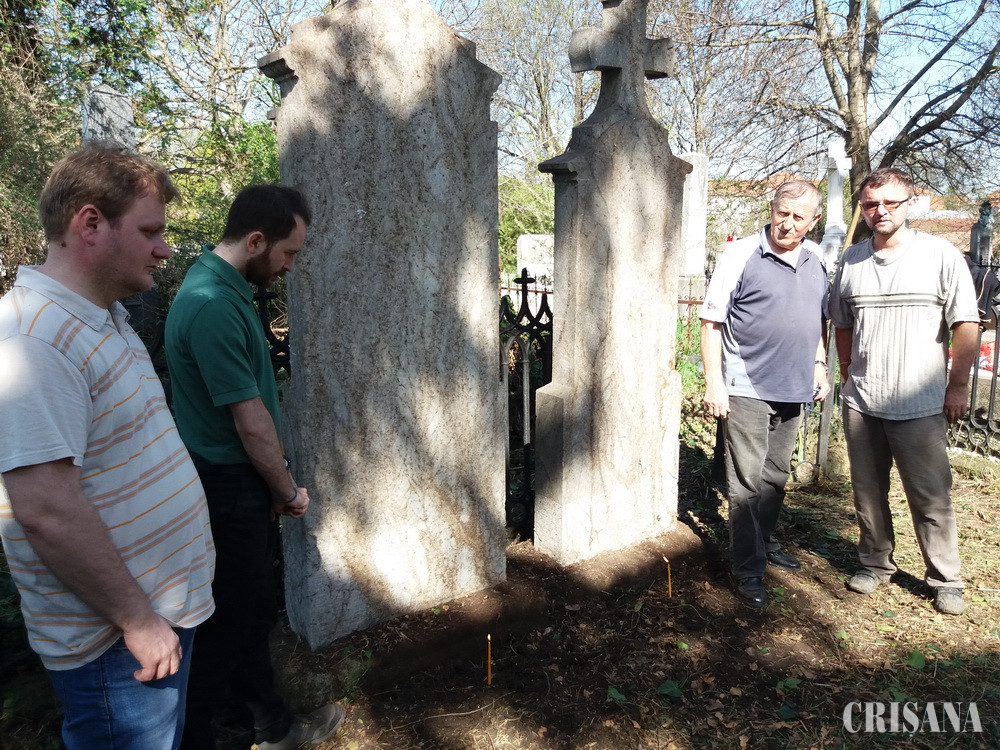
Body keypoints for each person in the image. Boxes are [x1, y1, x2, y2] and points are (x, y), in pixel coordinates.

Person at [0, 142, 216, 749]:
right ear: (90, 223)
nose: (165, 249)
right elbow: (47, 511)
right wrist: (138, 621)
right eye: (150, 231)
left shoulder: (102, 317)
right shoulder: (34, 342)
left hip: (153, 618)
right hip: (116, 643)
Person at [165, 185, 344, 748]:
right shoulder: (212, 305)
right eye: (289, 253)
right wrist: (286, 490)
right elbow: (250, 422)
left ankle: (271, 726)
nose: (290, 267)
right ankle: (196, 737)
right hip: (228, 486)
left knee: (250, 613)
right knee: (224, 631)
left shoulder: (222, 289)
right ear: (257, 240)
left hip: (235, 481)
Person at [828, 167, 979, 616]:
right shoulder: (852, 261)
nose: (880, 211)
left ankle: (945, 578)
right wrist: (847, 373)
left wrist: (957, 387)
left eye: (890, 202)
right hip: (863, 401)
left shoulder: (939, 255)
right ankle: (875, 563)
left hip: (919, 403)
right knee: (867, 491)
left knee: (931, 495)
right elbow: (842, 324)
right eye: (871, 204)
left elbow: (965, 324)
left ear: (910, 203)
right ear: (863, 208)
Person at [700, 179, 831, 608]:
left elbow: (816, 320)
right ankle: (748, 570)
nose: (787, 224)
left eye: (798, 217)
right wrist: (715, 382)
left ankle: (765, 541)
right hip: (746, 386)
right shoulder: (740, 254)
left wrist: (819, 364)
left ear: (814, 220)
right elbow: (711, 323)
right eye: (781, 213)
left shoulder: (816, 259)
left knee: (775, 476)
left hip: (795, 386)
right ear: (771, 209)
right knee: (745, 483)